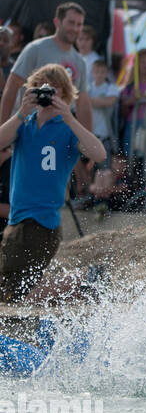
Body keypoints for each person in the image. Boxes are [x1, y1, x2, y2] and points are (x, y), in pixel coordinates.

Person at [0, 64, 106, 304]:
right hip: (17, 220)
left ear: (65, 94)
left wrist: (69, 116)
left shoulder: (67, 128)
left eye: (52, 89)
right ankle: (80, 286)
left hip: (41, 223)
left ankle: (84, 279)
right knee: (11, 291)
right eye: (38, 87)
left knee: (18, 296)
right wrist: (19, 113)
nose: (44, 93)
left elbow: (99, 154)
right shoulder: (23, 124)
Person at [1, 2, 93, 132]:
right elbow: (11, 88)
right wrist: (3, 132)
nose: (75, 28)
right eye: (71, 23)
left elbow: (83, 104)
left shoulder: (79, 61)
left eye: (79, 24)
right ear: (57, 22)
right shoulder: (35, 49)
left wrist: (89, 144)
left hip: (58, 135)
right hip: (27, 130)